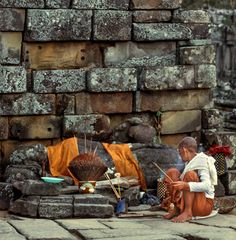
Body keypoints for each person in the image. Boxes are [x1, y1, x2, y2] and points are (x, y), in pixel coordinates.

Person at [162, 137, 217, 223]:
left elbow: (207, 185)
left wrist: (186, 185)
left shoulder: (201, 161)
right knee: (172, 172)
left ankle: (188, 212)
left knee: (190, 175)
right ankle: (177, 209)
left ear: (184, 150)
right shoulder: (190, 162)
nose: (180, 157)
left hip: (204, 205)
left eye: (180, 153)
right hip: (191, 203)